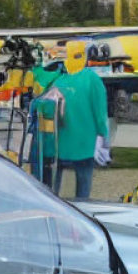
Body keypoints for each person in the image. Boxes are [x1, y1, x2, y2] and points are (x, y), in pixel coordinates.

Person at [29, 40, 109, 199]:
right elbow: (100, 114)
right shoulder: (92, 80)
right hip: (83, 146)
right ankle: (81, 213)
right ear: (84, 56)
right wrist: (103, 137)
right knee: (83, 188)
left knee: (53, 190)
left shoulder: (57, 80)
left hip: (56, 146)